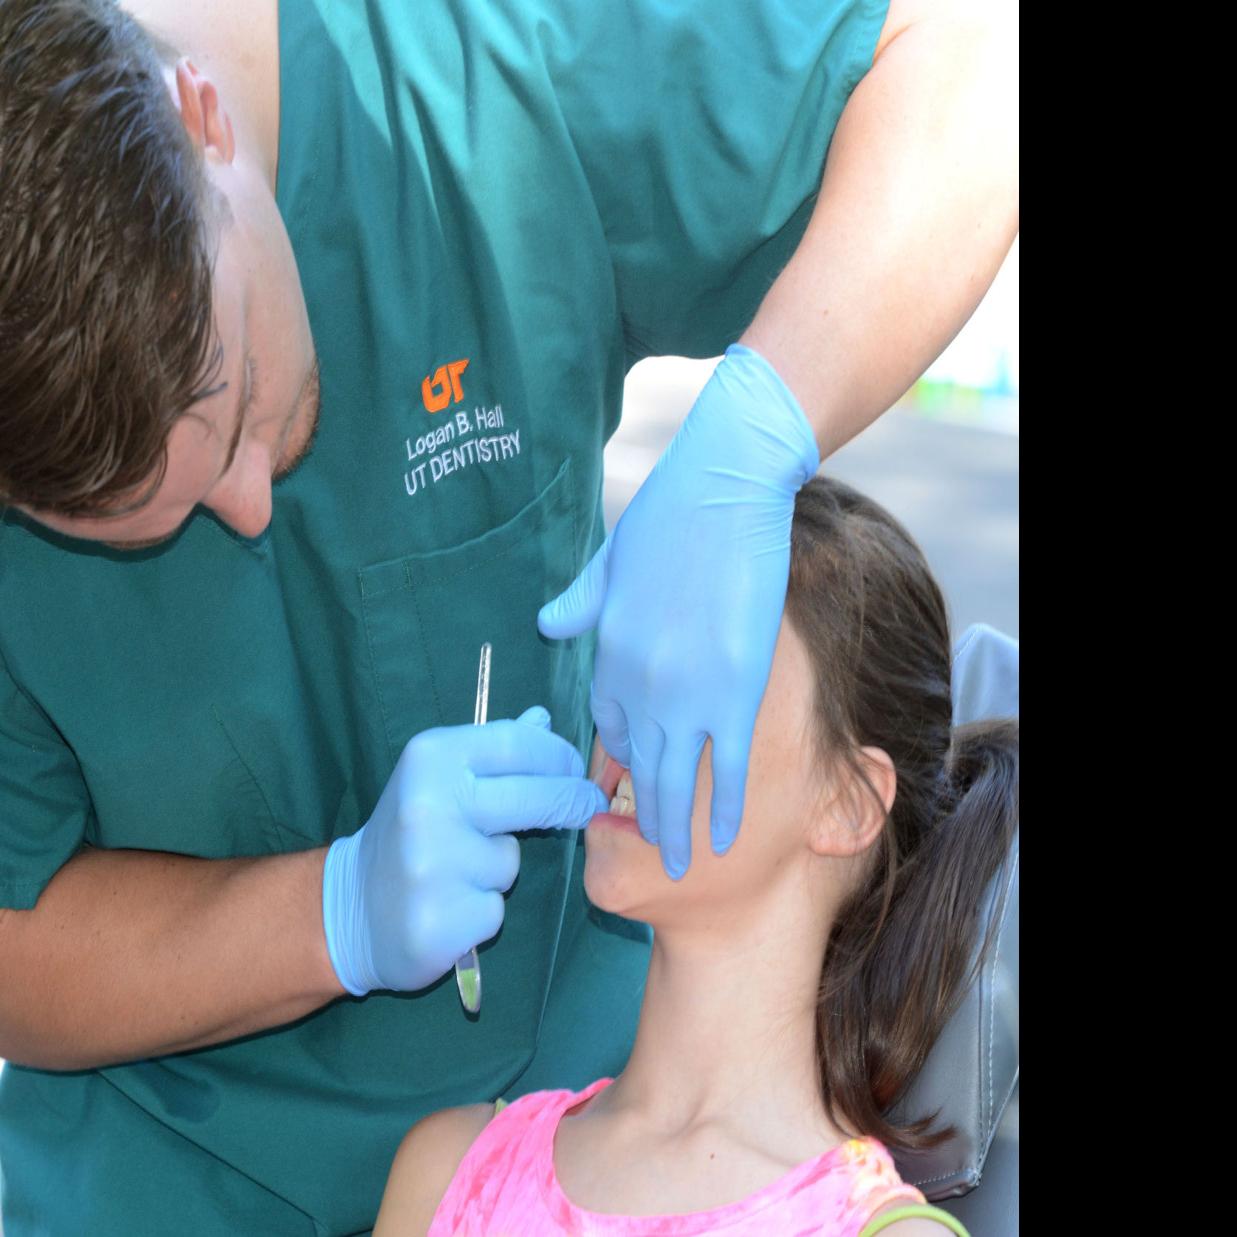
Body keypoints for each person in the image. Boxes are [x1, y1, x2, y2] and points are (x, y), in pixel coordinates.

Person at [0, 0, 1017, 1230]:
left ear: (201, 124)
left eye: (239, 403)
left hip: (566, 1058)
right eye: (142, 518)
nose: (253, 505)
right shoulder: (451, 1175)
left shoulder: (478, 94)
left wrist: (761, 424)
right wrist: (332, 916)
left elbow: (970, 57)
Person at [374, 475, 1018, 1236]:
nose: (625, 714)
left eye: (702, 672)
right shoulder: (448, 1172)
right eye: (636, 658)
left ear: (847, 802)